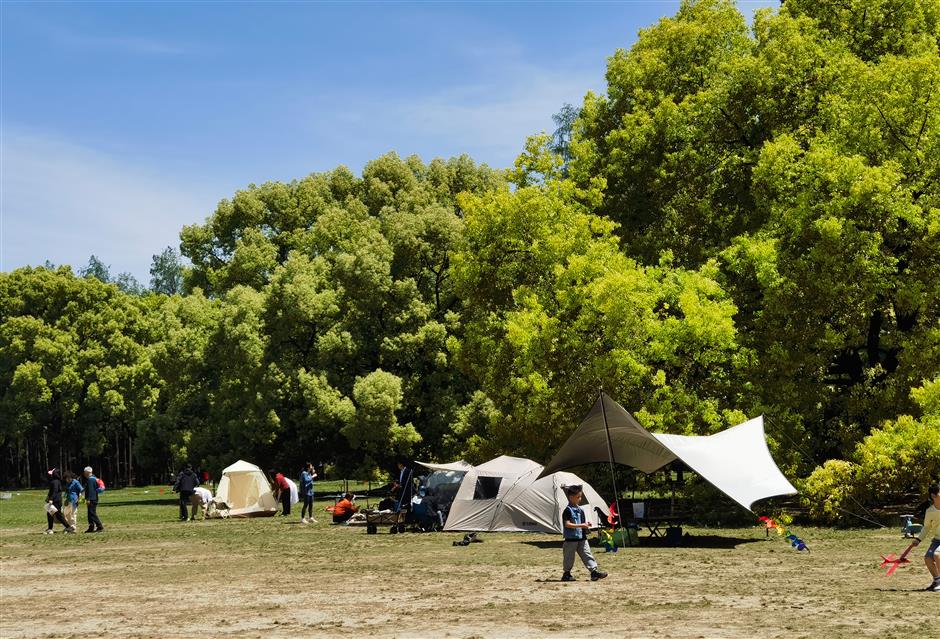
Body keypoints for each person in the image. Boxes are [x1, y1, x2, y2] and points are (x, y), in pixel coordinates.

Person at [560, 484, 607, 582]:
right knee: (569, 557)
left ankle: (594, 573)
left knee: (587, 554)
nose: (580, 499)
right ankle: (566, 574)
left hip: (582, 538)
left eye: (580, 496)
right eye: (578, 497)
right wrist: (582, 525)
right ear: (571, 497)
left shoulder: (580, 510)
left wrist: (586, 525)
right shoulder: (567, 511)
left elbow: (582, 523)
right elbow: (567, 524)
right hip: (571, 539)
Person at [912, 481, 940, 591]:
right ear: (934, 495)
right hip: (938, 539)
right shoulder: (930, 511)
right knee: (928, 558)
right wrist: (918, 539)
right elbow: (927, 527)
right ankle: (937, 581)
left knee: (937, 555)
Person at [44, 469, 75, 534]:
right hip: (58, 500)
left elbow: (55, 491)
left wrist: (51, 499)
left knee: (56, 515)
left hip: (55, 501)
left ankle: (67, 527)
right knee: (53, 514)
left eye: (52, 473)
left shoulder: (54, 482)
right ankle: (51, 528)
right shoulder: (58, 481)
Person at [82, 466, 104, 533]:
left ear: (87, 472)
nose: (84, 474)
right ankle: (91, 527)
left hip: (91, 499)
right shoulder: (94, 478)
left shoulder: (90, 480)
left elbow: (90, 491)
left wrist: (88, 499)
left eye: (84, 472)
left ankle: (100, 526)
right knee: (90, 513)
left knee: (92, 513)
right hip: (94, 498)